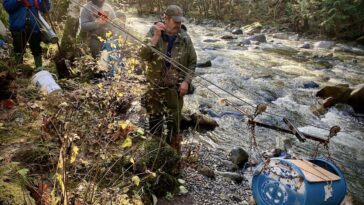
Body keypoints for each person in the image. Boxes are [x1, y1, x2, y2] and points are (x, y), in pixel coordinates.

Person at [140, 5, 197, 153]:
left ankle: (172, 157)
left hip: (175, 90)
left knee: (173, 127)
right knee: (155, 124)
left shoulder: (185, 38)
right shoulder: (153, 32)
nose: (178, 24)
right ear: (166, 19)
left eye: (180, 21)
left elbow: (192, 62)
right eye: (175, 21)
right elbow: (142, 56)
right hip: (154, 89)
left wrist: (186, 81)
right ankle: (154, 154)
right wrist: (156, 37)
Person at [3, 0, 51, 69]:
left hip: (34, 27)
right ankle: (18, 68)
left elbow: (45, 9)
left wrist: (45, 1)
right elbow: (8, 7)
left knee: (36, 49)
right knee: (18, 49)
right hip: (18, 27)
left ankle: (39, 68)